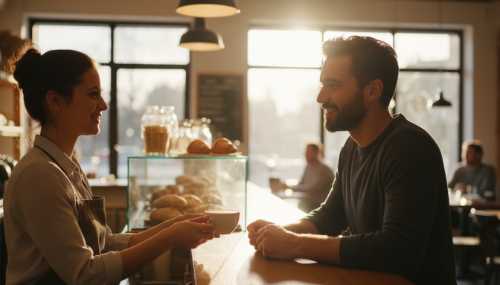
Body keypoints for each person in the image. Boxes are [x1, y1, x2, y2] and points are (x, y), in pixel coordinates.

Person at [248, 36, 456, 285]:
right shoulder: (352, 147)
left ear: (372, 91)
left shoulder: (410, 148)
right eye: (322, 84)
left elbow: (397, 251)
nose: (321, 97)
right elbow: (330, 216)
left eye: (332, 85)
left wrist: (294, 244)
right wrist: (279, 232)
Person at [4, 48, 215, 285]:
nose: (103, 105)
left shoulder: (66, 166)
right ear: (55, 102)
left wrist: (172, 226)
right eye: (93, 94)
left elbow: (104, 243)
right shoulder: (38, 175)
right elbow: (86, 275)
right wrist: (169, 238)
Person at [272, 143, 334, 212]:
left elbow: (312, 189)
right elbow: (301, 183)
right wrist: (286, 185)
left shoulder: (323, 169)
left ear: (316, 153)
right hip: (309, 200)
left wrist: (288, 187)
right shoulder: (309, 166)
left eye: (308, 152)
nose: (305, 154)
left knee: (301, 205)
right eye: (305, 152)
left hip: (320, 204)